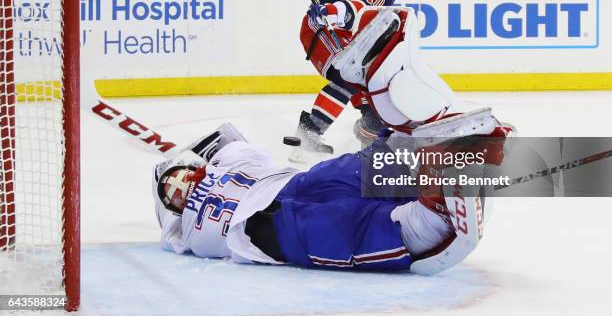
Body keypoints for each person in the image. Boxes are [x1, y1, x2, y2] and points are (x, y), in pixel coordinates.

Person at [153, 111, 509, 274]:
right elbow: (162, 206)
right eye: (171, 194)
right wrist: (162, 175)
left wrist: (186, 159)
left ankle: (437, 151)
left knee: (360, 167)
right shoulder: (182, 231)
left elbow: (226, 135)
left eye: (177, 178)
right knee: (357, 231)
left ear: (195, 167)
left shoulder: (229, 163)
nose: (176, 188)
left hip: (293, 184)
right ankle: (435, 214)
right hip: (274, 231)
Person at [282, 0, 402, 159]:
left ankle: (369, 136)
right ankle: (308, 133)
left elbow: (363, 11)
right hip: (319, 29)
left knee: (369, 95)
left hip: (351, 36)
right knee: (347, 72)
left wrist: (334, 11)